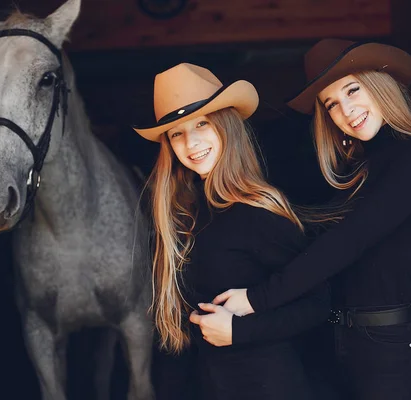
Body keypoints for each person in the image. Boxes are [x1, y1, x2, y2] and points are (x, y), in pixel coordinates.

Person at [204, 39, 411, 399]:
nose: (346, 110)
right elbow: (310, 248)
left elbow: (349, 241)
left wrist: (256, 300)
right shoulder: (355, 173)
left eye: (352, 90)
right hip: (334, 343)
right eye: (332, 104)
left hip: (388, 350)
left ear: (379, 85)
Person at [132, 63, 334, 400]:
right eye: (176, 133)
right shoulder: (183, 216)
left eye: (201, 124)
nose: (191, 142)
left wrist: (240, 331)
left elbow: (318, 304)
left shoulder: (258, 211)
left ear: (225, 126)